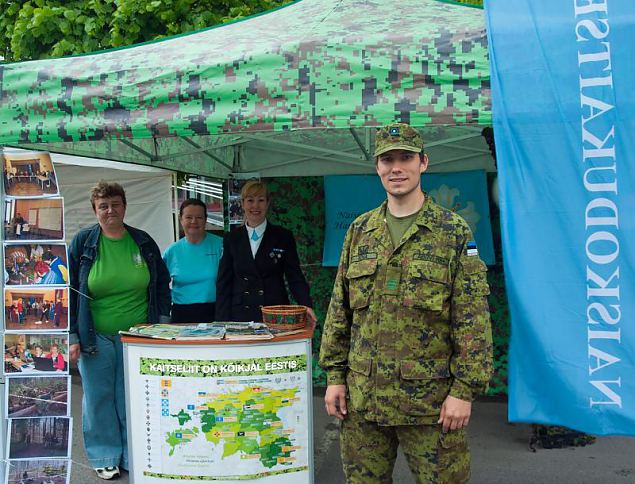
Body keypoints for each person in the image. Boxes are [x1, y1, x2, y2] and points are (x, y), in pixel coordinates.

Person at [319, 123, 493, 483]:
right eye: (387, 159)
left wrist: (464, 391)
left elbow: (472, 318)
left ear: (423, 163)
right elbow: (341, 309)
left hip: (430, 404)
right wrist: (335, 377)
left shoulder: (453, 232)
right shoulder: (360, 231)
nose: (396, 168)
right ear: (377, 167)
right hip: (364, 401)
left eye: (405, 158)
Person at [69, 181, 171, 480]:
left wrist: (161, 327)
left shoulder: (143, 242)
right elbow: (71, 291)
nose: (109, 210)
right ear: (95, 210)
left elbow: (161, 285)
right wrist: (72, 337)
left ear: (124, 206)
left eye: (115, 204)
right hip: (95, 338)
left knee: (133, 397)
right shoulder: (83, 243)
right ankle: (105, 456)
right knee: (99, 398)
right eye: (103, 206)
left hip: (138, 338)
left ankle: (133, 453)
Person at [216, 180, 316, 324]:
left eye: (261, 200)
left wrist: (306, 305)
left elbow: (295, 277)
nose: (255, 206)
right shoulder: (232, 239)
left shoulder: (283, 236)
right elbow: (223, 283)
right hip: (240, 315)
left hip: (274, 314)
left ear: (268, 203)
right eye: (250, 200)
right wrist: (222, 321)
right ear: (243, 204)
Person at [162, 199, 223, 323]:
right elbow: (160, 286)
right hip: (181, 314)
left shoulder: (220, 245)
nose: (194, 222)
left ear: (206, 220)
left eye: (199, 217)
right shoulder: (172, 251)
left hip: (215, 312)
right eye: (189, 217)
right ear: (181, 219)